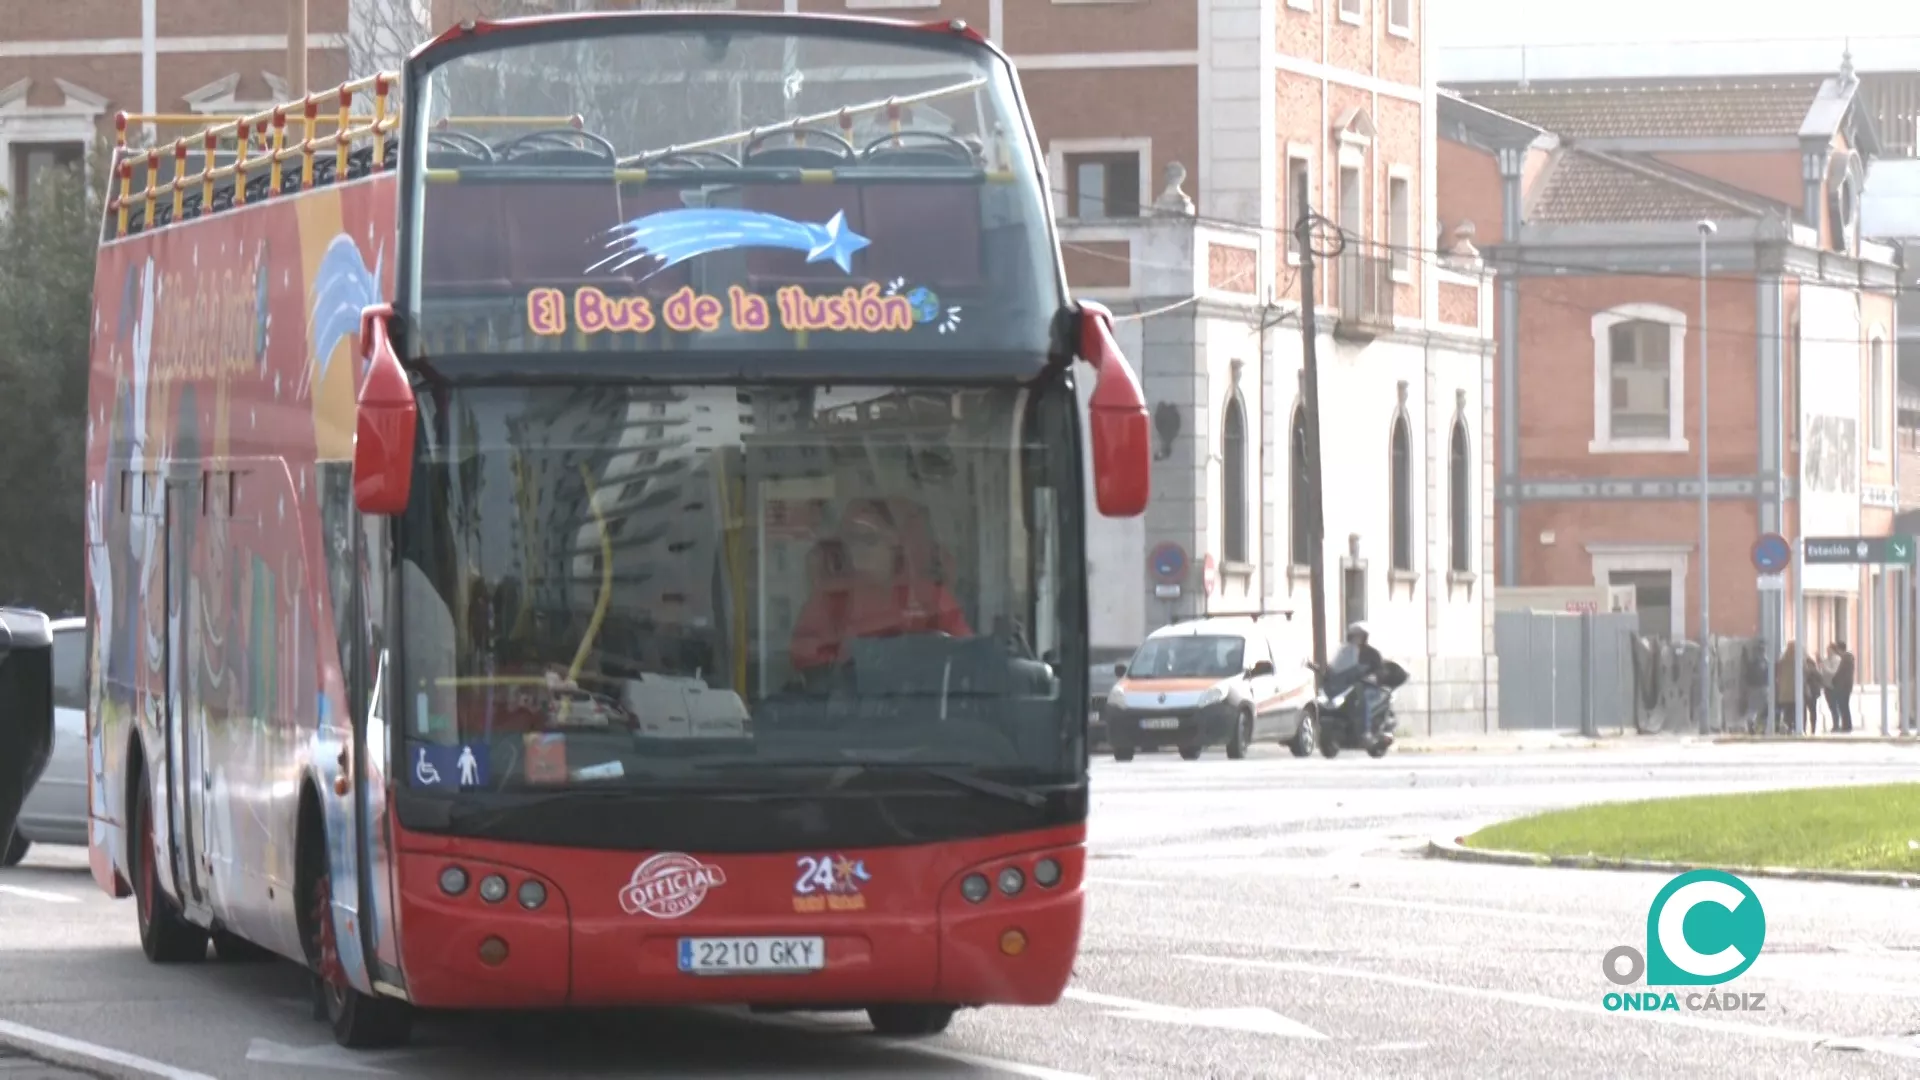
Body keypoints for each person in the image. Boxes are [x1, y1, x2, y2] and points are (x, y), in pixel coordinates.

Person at [788, 498, 971, 676]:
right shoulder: (831, 598)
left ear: (894, 543)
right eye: (851, 540)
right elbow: (806, 657)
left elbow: (965, 655)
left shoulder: (928, 597)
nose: (857, 548)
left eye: (868, 539)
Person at [1325, 621, 1385, 742]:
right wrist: (1330, 671)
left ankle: (1365, 731)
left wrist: (1373, 676)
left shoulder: (1372, 653)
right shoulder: (1345, 651)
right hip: (1349, 685)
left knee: (1363, 698)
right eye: (1354, 635)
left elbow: (1380, 671)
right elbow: (1338, 665)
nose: (1356, 638)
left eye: (1359, 635)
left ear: (1364, 637)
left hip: (1369, 687)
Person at [1824, 641, 1855, 734]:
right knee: (1843, 706)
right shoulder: (1847, 657)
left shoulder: (1845, 658)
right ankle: (1846, 725)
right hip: (1845, 686)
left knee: (1843, 706)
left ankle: (1847, 726)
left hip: (1844, 686)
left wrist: (1834, 680)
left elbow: (1839, 673)